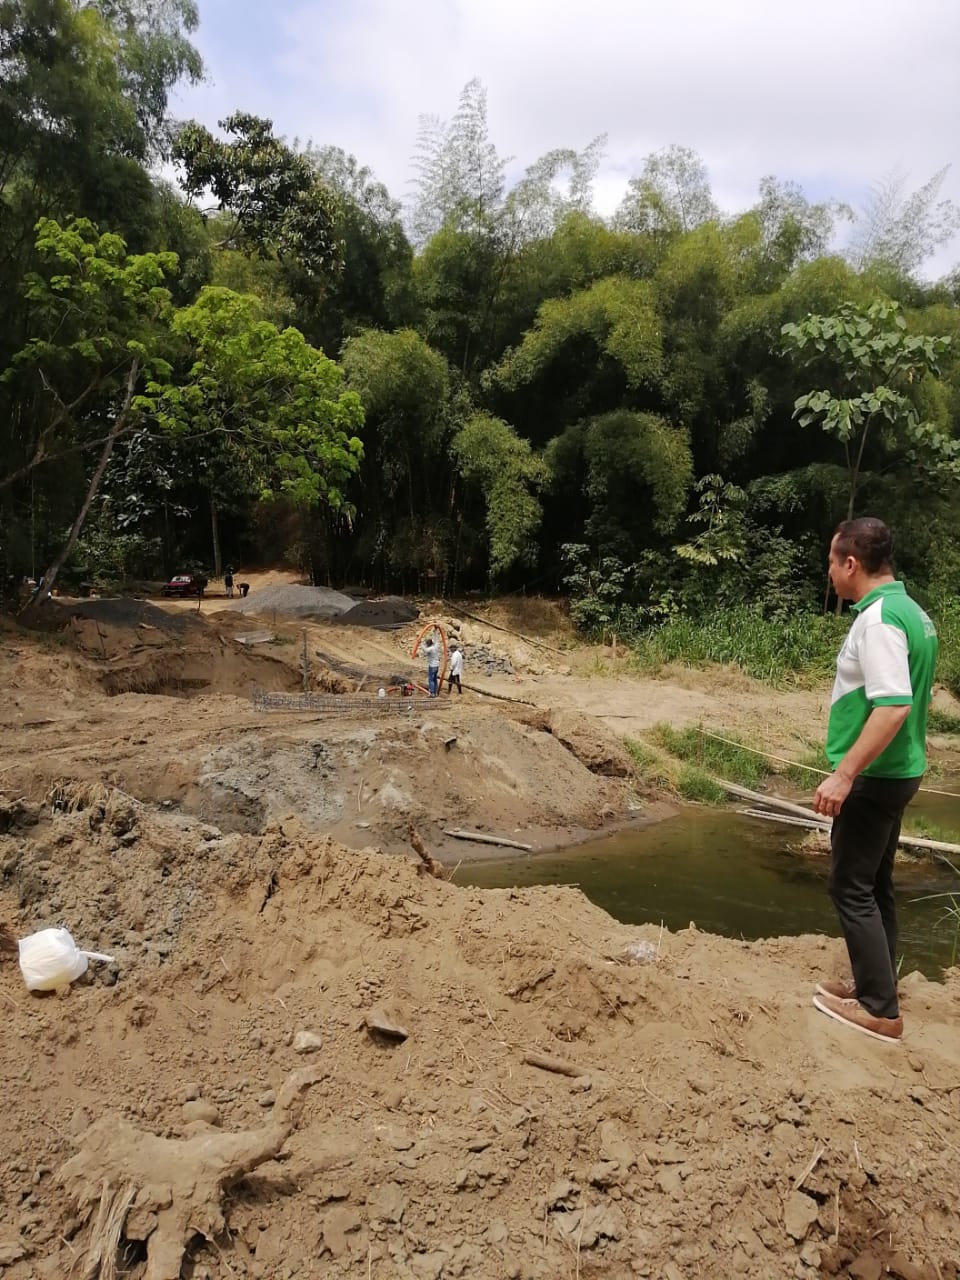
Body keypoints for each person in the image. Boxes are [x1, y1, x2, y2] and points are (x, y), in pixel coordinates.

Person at [811, 517, 937, 1044]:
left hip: (875, 775)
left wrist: (844, 775)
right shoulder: (911, 611)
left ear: (851, 563)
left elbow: (892, 706)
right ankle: (874, 985)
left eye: (831, 562)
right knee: (875, 883)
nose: (829, 573)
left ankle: (880, 1010)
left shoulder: (880, 620)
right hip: (899, 770)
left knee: (849, 886)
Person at [422, 632, 441, 697]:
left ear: (428, 644)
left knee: (431, 679)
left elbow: (425, 650)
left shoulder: (430, 649)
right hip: (436, 666)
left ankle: (432, 693)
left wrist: (421, 644)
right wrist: (436, 631)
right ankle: (436, 692)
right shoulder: (435, 646)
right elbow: (436, 639)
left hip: (432, 666)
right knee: (434, 679)